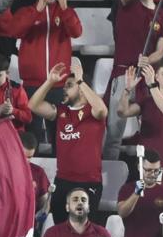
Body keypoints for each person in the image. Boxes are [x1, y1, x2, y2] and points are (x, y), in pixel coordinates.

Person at [29, 62, 107, 224]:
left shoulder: (92, 111)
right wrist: (50, 81)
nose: (64, 89)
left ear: (81, 88)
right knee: (61, 228)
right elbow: (33, 105)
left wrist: (80, 81)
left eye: (69, 85)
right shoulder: (61, 112)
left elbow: (102, 110)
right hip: (62, 181)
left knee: (85, 228)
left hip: (89, 181)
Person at [0, 0, 83, 90]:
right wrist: (37, 11)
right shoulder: (26, 11)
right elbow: (14, 31)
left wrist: (65, 9)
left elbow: (77, 32)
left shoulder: (65, 12)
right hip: (32, 84)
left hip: (59, 83)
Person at [119, 59, 163, 177]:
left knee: (161, 195)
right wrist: (127, 90)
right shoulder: (147, 100)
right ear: (156, 77)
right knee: (141, 195)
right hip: (144, 161)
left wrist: (152, 85)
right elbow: (123, 112)